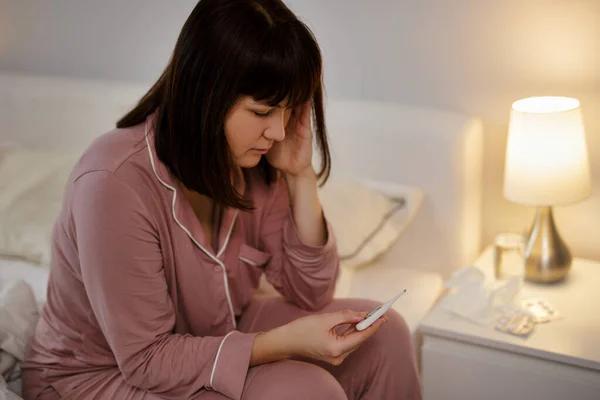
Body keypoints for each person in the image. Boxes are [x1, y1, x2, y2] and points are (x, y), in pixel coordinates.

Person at [22, 0, 422, 399]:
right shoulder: (112, 183)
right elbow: (146, 359)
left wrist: (300, 176)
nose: (279, 132)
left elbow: (311, 293)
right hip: (95, 376)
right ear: (205, 95)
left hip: (214, 330)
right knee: (307, 391)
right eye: (263, 111)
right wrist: (284, 342)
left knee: (383, 336)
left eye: (287, 111)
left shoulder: (251, 161)